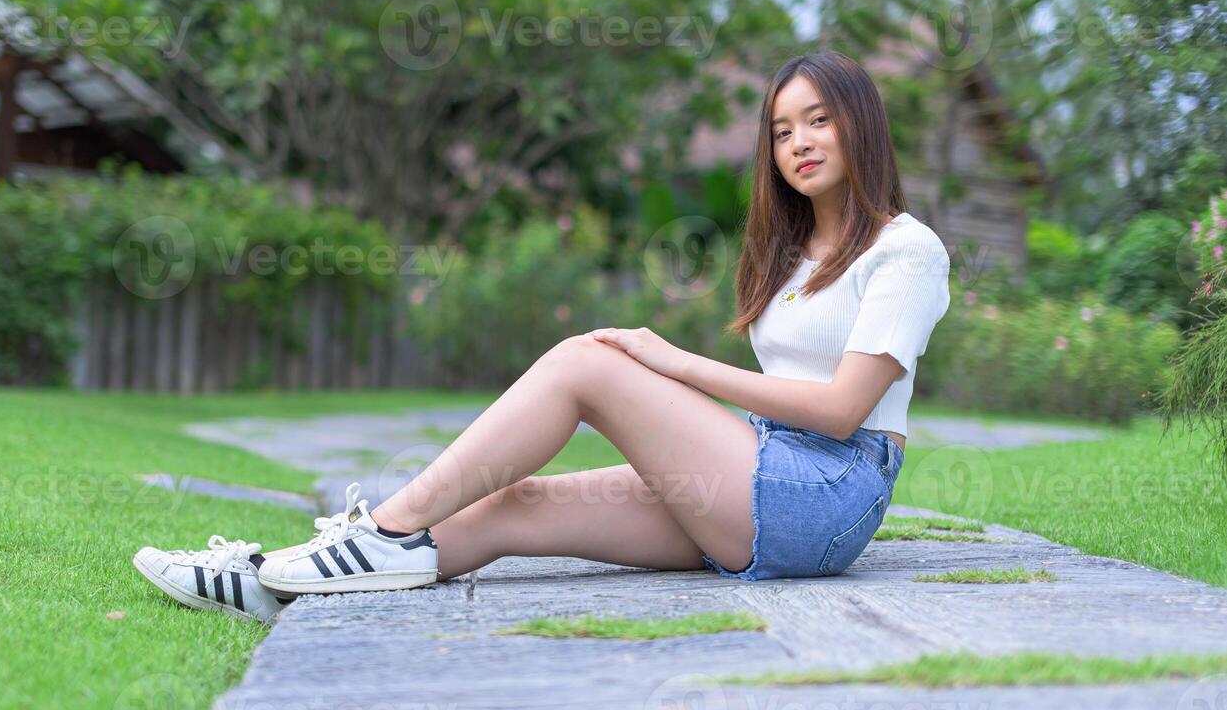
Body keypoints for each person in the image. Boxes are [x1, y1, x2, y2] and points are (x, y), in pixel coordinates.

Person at [132, 50, 952, 624]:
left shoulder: (906, 251)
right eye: (780, 130)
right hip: (759, 474)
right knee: (511, 506)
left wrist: (676, 364)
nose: (797, 143)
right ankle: (272, 582)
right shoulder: (790, 251)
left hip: (825, 497)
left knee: (585, 364)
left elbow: (844, 411)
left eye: (816, 121)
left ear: (859, 125)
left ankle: (384, 529)